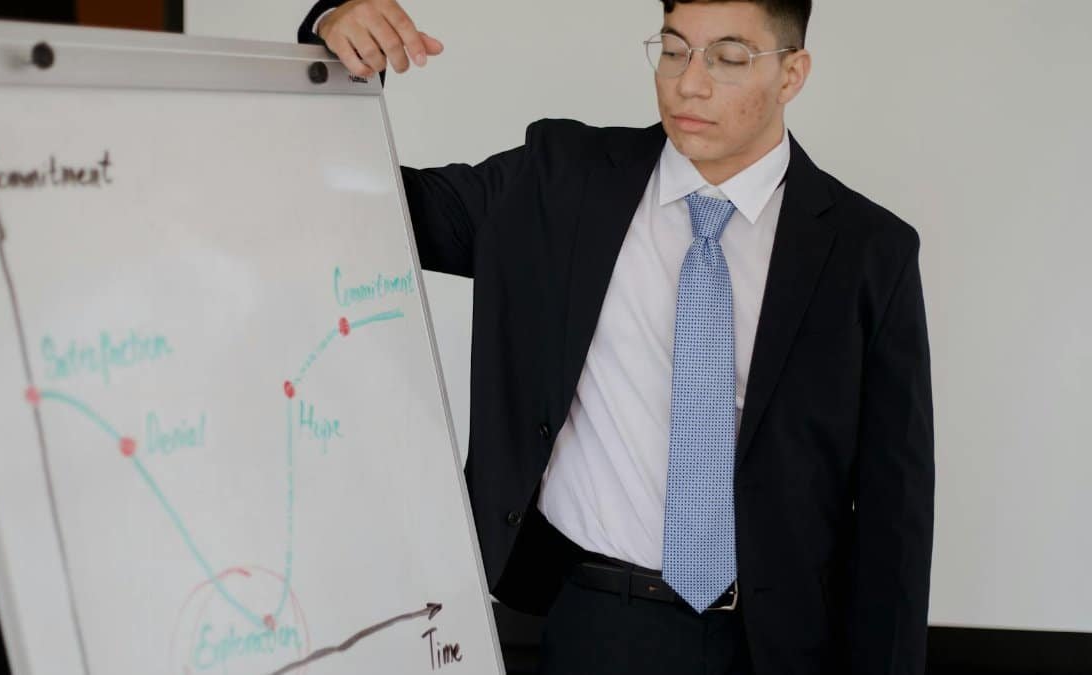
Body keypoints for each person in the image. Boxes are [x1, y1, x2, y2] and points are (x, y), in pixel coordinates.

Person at [298, 1, 935, 673]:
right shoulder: (560, 182)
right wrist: (329, 40)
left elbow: (893, 520)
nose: (690, 82)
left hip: (784, 643)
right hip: (599, 624)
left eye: (727, 58)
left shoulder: (869, 252)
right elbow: (362, 205)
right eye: (673, 49)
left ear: (792, 74)